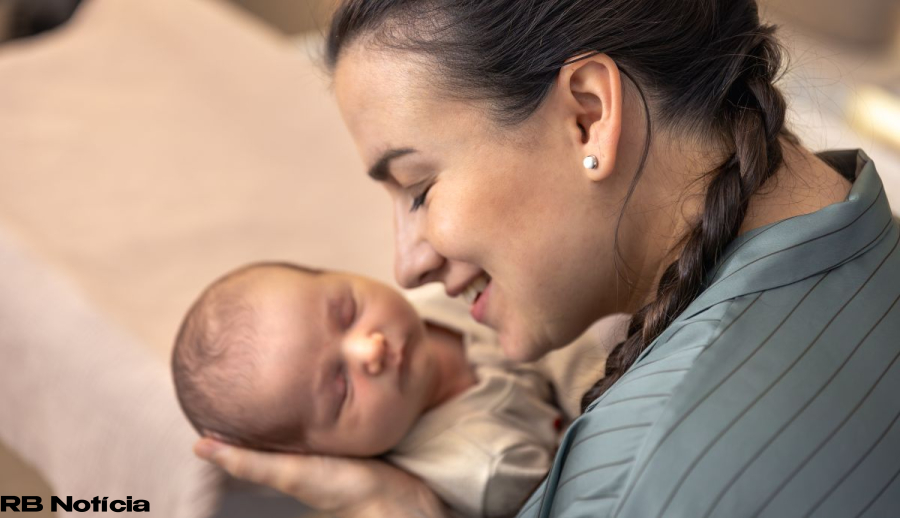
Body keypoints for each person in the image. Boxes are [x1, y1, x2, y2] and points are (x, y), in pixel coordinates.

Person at [192, 1, 900, 517]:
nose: (405, 269)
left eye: (419, 188)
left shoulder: (629, 481)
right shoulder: (857, 217)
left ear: (589, 114)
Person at [173, 262, 596, 518]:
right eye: (341, 387)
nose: (370, 347)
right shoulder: (486, 467)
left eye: (347, 311)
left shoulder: (441, 300)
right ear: (322, 452)